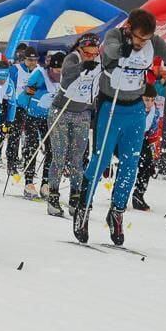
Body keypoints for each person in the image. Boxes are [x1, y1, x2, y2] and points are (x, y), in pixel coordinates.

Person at [73, 9, 166, 244]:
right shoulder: (115, 35)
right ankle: (84, 207)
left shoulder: (153, 42)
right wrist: (120, 50)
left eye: (146, 39)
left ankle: (117, 212)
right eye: (138, 38)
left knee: (131, 162)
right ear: (129, 28)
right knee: (101, 159)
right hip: (110, 105)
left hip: (134, 108)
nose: (142, 43)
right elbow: (109, 49)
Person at [46, 33, 101, 217]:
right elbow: (67, 73)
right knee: (59, 156)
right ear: (80, 49)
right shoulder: (72, 57)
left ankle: (75, 196)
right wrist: (82, 66)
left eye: (94, 54)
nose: (91, 57)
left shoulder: (99, 60)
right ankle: (53, 195)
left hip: (83, 113)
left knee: (78, 159)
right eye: (87, 53)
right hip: (61, 111)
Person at [13, 51, 64, 200]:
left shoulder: (65, 77)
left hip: (50, 117)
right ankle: (29, 183)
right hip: (32, 115)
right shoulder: (39, 74)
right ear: (51, 67)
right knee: (32, 146)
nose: (58, 74)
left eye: (61, 71)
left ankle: (45, 183)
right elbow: (26, 93)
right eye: (57, 71)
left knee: (51, 149)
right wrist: (30, 93)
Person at [5, 46, 39, 174]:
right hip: (18, 107)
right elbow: (9, 88)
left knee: (31, 138)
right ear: (24, 59)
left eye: (35, 60)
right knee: (15, 136)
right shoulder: (16, 69)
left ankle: (28, 163)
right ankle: (11, 162)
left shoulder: (38, 71)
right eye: (30, 60)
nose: (33, 63)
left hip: (32, 109)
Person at [131, 84, 163, 211]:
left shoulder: (155, 113)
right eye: (146, 99)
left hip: (141, 139)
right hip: (126, 138)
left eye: (151, 100)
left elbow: (152, 134)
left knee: (147, 163)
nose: (149, 103)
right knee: (127, 163)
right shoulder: (133, 108)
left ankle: (139, 194)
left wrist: (154, 154)